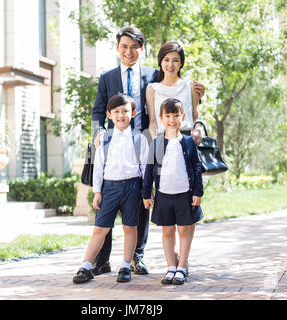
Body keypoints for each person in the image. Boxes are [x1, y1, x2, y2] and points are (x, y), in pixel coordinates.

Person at [91, 26, 206, 276]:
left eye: (134, 47)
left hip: (146, 140)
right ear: (117, 48)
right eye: (124, 46)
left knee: (143, 198)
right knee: (107, 200)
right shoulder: (107, 77)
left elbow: (175, 97)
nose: (129, 52)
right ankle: (102, 258)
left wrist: (199, 94)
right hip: (113, 142)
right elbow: (98, 111)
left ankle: (137, 256)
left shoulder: (153, 74)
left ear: (141, 49)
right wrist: (98, 131)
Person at [73, 94, 149, 284]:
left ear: (133, 113)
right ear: (109, 115)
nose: (121, 115)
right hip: (109, 188)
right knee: (100, 228)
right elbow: (98, 168)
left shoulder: (141, 138)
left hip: (132, 186)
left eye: (125, 111)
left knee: (130, 227)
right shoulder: (103, 139)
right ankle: (86, 266)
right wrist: (97, 192)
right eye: (116, 112)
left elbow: (146, 169)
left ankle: (125, 266)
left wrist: (147, 193)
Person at [142, 98, 204, 285]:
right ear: (161, 118)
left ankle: (182, 266)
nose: (172, 119)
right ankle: (171, 266)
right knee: (167, 231)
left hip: (184, 193)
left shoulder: (188, 142)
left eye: (175, 115)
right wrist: (146, 193)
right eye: (167, 116)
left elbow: (197, 167)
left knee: (184, 230)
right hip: (163, 194)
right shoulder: (157, 142)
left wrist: (198, 192)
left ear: (182, 117)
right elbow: (149, 169)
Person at [146, 41, 204, 144]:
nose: (170, 65)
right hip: (162, 141)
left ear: (181, 63)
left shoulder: (190, 86)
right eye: (166, 60)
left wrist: (198, 129)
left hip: (187, 141)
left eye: (175, 60)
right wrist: (156, 146)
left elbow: (196, 117)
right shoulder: (152, 89)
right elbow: (153, 122)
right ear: (160, 62)